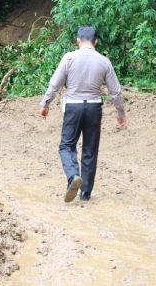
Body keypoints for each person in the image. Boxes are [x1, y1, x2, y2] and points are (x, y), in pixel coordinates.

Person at [39, 26, 127, 203]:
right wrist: (120, 112)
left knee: (66, 146)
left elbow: (55, 84)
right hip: (94, 108)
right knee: (90, 150)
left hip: (73, 106)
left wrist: (45, 104)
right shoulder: (104, 61)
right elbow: (115, 92)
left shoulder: (69, 58)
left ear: (78, 40)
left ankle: (73, 176)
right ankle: (85, 193)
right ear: (96, 42)